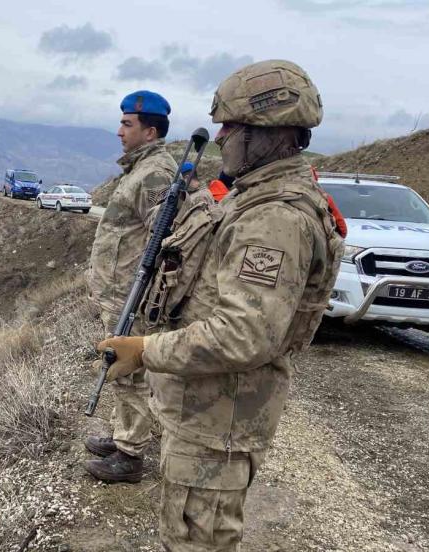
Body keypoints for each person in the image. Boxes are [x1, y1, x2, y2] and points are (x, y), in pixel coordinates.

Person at [94, 60, 345, 550]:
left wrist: (145, 350)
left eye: (232, 126)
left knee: (198, 539)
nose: (223, 136)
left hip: (220, 417)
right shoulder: (251, 198)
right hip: (206, 409)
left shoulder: (273, 218)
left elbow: (245, 333)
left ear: (268, 133)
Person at [85, 90, 178, 483]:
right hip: (120, 291)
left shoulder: (155, 173)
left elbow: (166, 235)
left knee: (128, 370)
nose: (119, 131)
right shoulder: (141, 168)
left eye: (128, 124)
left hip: (132, 296)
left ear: (150, 131)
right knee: (121, 367)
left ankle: (130, 455)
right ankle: (123, 434)